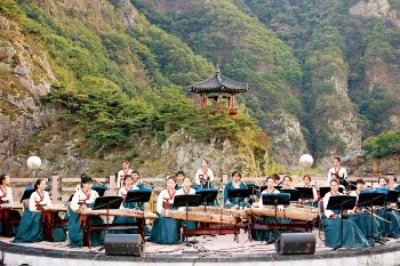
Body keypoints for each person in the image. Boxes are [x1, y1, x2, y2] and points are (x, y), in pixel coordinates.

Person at [13, 179, 66, 243]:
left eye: (45, 184)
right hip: (36, 210)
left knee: (55, 217)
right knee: (38, 217)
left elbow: (49, 204)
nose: (44, 185)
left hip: (45, 209)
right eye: (42, 184)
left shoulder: (46, 193)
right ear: (38, 185)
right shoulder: (34, 194)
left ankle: (55, 236)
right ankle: (37, 236)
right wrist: (37, 210)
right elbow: (31, 207)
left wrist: (49, 208)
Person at [322, 179, 370, 248]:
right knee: (340, 222)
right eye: (332, 185)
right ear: (330, 186)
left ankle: (350, 241)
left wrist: (345, 210)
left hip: (340, 213)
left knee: (349, 221)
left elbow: (346, 207)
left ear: (338, 186)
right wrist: (332, 215)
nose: (333, 187)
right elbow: (326, 208)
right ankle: (339, 241)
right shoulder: (327, 195)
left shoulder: (341, 195)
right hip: (330, 215)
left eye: (335, 185)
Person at [67, 176, 105, 247]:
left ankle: (96, 240)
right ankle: (81, 240)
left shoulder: (94, 192)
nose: (89, 186)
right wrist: (80, 207)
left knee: (100, 221)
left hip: (92, 212)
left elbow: (99, 201)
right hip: (81, 213)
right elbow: (73, 204)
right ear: (83, 184)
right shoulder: (78, 193)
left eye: (90, 184)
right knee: (78, 226)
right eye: (88, 184)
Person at [349, 179, 386, 245]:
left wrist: (371, 208)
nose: (360, 185)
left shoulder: (365, 193)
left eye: (362, 184)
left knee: (372, 217)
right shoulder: (353, 194)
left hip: (364, 211)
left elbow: (369, 205)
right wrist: (357, 210)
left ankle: (375, 236)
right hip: (355, 213)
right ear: (356, 185)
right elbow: (351, 206)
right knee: (367, 218)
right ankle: (368, 236)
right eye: (359, 184)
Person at [150, 176, 180, 244]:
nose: (169, 184)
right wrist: (162, 212)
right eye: (168, 183)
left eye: (171, 183)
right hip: (163, 211)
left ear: (175, 183)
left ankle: (171, 240)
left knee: (172, 221)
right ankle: (161, 239)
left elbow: (180, 206)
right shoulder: (163, 193)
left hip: (174, 212)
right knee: (161, 219)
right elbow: (159, 205)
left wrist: (176, 212)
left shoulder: (178, 193)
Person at [253, 176, 280, 242]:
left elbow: (280, 204)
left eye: (272, 182)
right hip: (265, 210)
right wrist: (263, 209)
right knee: (259, 218)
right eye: (268, 182)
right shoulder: (264, 192)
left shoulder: (277, 192)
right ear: (266, 183)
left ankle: (274, 236)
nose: (270, 183)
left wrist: (275, 207)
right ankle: (265, 236)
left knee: (273, 218)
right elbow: (260, 204)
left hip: (274, 211)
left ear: (274, 183)